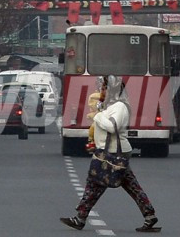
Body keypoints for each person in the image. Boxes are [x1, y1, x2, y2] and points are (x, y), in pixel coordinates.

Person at [60, 75, 160, 233]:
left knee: (96, 183)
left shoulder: (120, 106)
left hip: (114, 153)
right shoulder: (110, 105)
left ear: (113, 90)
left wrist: (98, 116)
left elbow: (112, 127)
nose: (102, 90)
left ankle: (80, 218)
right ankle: (149, 215)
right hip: (108, 151)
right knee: (127, 185)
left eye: (105, 88)